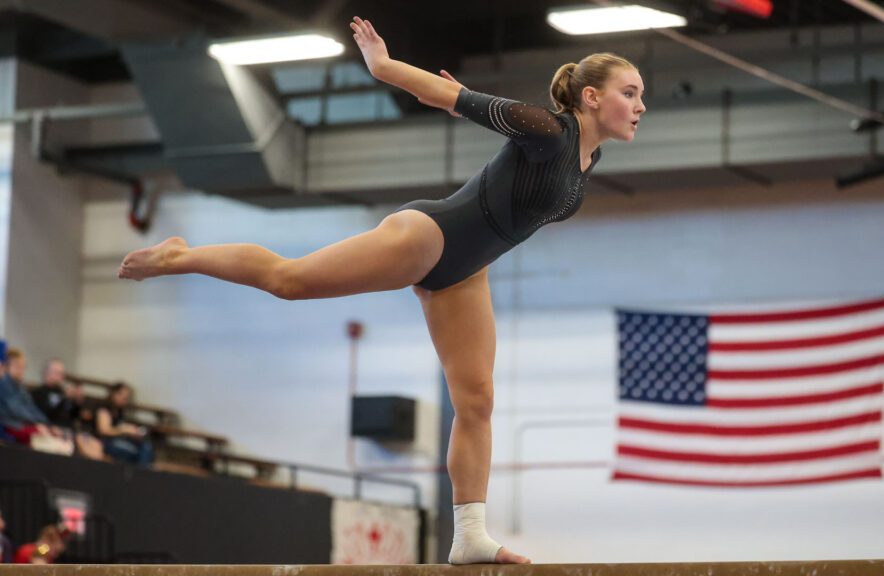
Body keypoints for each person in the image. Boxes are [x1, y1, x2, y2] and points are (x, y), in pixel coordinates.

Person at [118, 15, 645, 565]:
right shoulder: (548, 130)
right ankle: (180, 255)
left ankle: (468, 535)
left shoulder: (591, 157)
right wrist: (383, 65)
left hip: (466, 271)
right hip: (429, 238)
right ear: (590, 96)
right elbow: (452, 96)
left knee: (478, 402)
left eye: (639, 96)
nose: (639, 105)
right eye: (629, 93)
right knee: (289, 281)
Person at [93, 383, 154, 467]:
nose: (124, 399)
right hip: (105, 442)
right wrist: (124, 430)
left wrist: (132, 433)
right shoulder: (104, 409)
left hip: (119, 440)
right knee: (135, 452)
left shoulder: (119, 411)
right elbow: (104, 430)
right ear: (113, 394)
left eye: (126, 397)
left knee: (146, 447)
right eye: (122, 395)